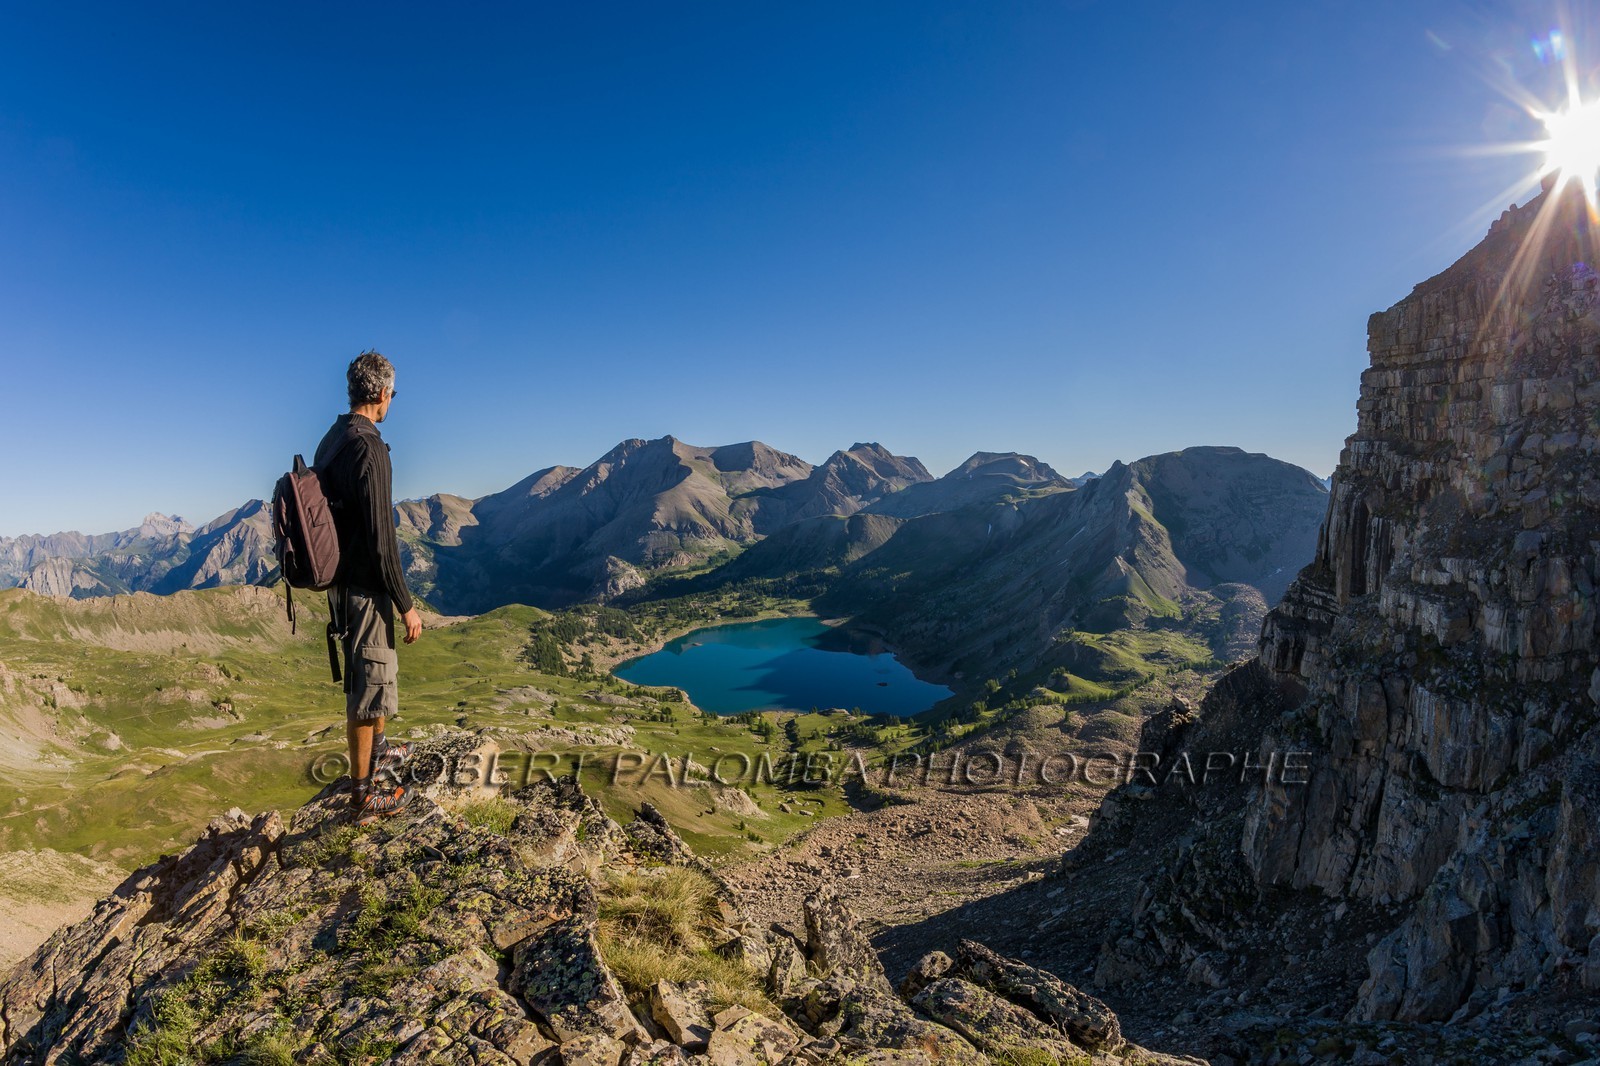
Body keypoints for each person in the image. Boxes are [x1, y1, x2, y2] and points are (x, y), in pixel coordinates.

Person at [314, 350, 423, 824]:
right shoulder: (370, 447)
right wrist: (406, 604)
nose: (391, 401)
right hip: (363, 584)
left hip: (342, 580)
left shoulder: (333, 439)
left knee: (374, 676)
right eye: (392, 394)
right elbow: (383, 538)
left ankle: (379, 751)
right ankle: (362, 795)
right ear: (381, 393)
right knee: (367, 684)